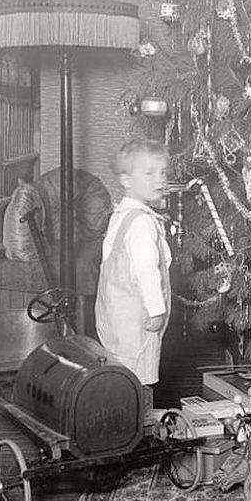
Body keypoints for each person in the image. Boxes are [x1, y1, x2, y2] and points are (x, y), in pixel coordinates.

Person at [95, 139, 172, 414]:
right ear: (126, 180)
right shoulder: (141, 222)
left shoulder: (122, 215)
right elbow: (146, 271)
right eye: (149, 173)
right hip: (137, 318)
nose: (159, 179)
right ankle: (139, 426)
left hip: (115, 316)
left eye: (162, 172)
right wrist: (156, 310)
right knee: (139, 375)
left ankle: (121, 419)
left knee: (120, 370)